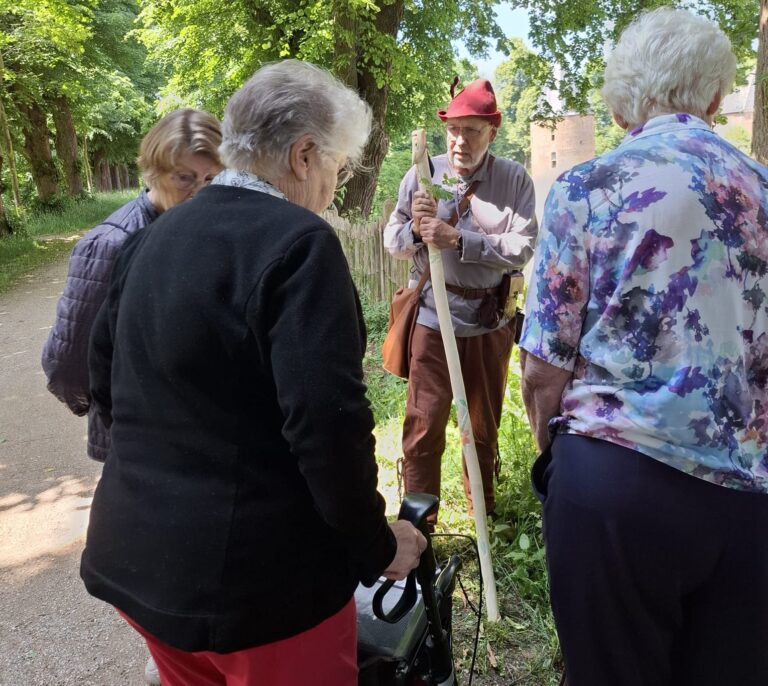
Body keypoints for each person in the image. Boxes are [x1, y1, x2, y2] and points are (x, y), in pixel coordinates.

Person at [81, 60, 426, 686]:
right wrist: (378, 546)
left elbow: (102, 382)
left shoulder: (150, 237)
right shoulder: (300, 244)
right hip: (261, 599)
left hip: (142, 571)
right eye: (336, 167)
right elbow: (328, 429)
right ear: (303, 155)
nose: (332, 184)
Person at [519, 8, 768, 686]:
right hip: (746, 498)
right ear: (716, 96)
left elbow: (544, 366)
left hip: (616, 487)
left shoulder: (587, 187)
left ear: (627, 94)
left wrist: (554, 459)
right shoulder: (764, 192)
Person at [41, 108, 223, 686]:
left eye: (211, 180)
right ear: (152, 173)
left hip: (201, 438)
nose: (197, 194)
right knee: (155, 570)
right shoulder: (115, 243)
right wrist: (113, 416)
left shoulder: (215, 235)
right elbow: (66, 365)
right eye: (183, 180)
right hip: (139, 442)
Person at [384, 79, 537, 523]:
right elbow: (392, 241)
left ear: (493, 130)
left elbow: (522, 246)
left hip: (489, 323)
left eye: (472, 130)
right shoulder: (421, 175)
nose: (459, 141)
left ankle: (482, 517)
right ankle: (419, 525)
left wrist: (460, 240)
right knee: (423, 427)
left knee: (482, 431)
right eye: (453, 130)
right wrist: (414, 230)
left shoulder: (514, 180)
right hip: (434, 319)